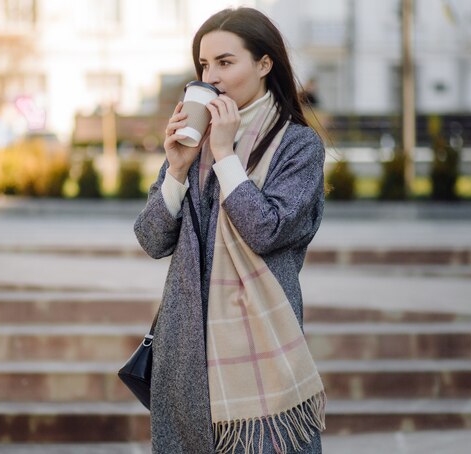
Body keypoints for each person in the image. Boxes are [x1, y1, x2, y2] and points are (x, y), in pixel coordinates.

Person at [134, 7, 326, 454]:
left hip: (262, 342)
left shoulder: (297, 144)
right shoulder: (193, 141)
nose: (211, 76)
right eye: (204, 65)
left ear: (264, 64)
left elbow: (267, 230)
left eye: (225, 62)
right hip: (185, 347)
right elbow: (151, 239)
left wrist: (225, 154)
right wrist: (177, 170)